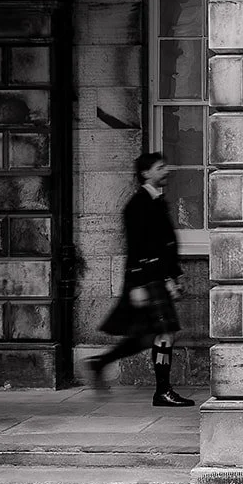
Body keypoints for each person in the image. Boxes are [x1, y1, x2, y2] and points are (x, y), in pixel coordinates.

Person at [85, 151, 195, 407]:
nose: (166, 170)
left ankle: (99, 363)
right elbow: (136, 247)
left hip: (158, 277)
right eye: (160, 167)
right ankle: (163, 391)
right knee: (164, 333)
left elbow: (165, 243)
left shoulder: (156, 201)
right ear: (146, 173)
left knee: (147, 337)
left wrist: (175, 275)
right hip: (147, 278)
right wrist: (137, 284)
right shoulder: (137, 205)